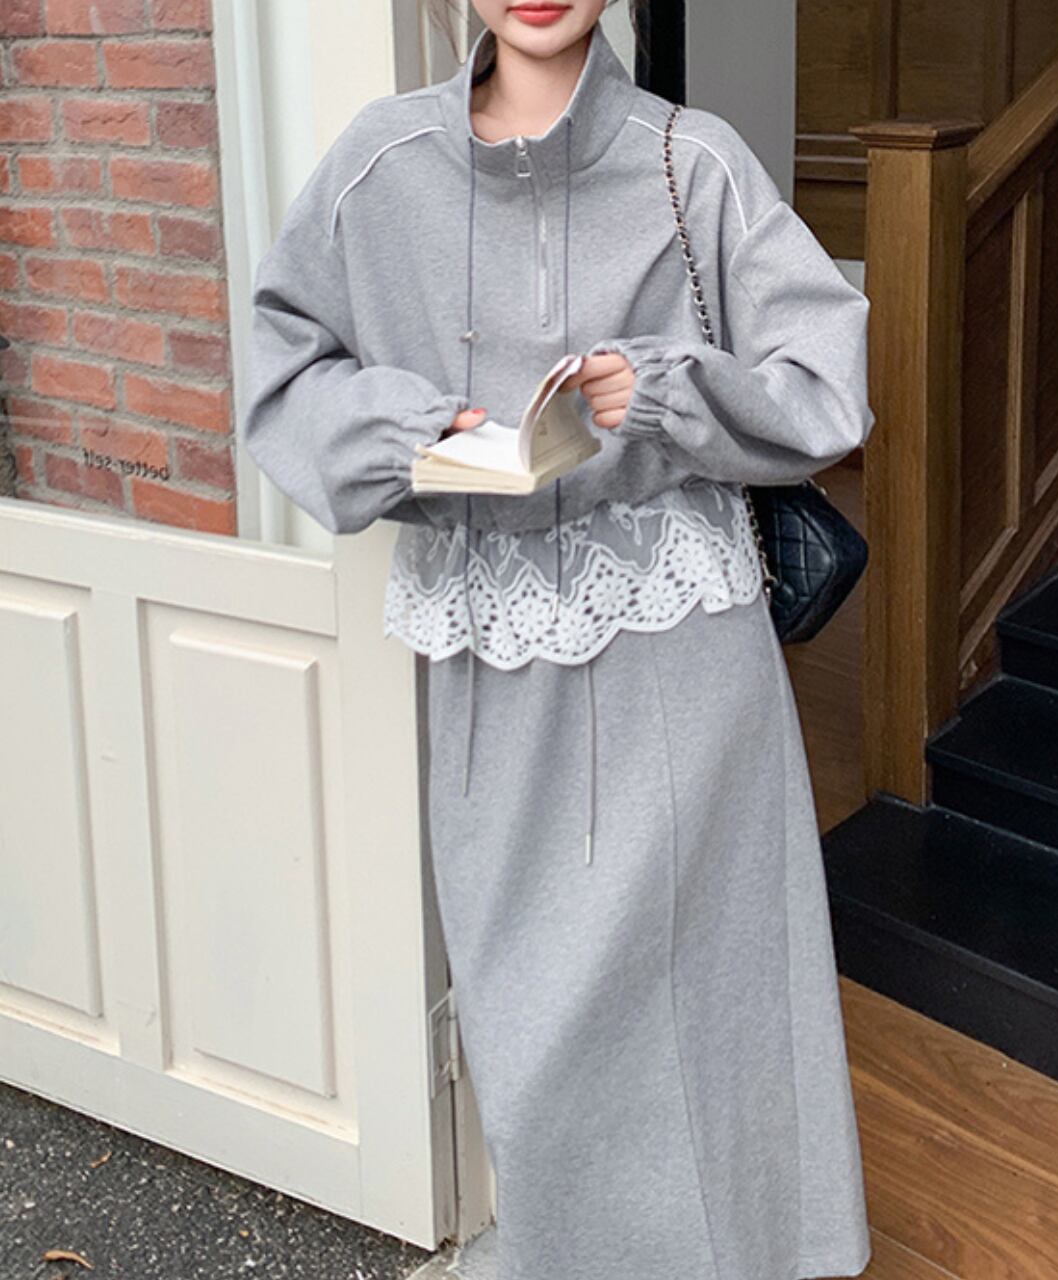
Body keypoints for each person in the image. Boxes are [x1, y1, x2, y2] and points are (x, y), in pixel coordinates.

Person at [240, 2, 875, 1277]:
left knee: (712, 1005)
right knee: (530, 1017)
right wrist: (406, 431)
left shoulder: (691, 162)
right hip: (493, 661)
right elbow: (281, 374)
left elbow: (824, 384)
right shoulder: (377, 165)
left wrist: (669, 389)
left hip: (684, 656)